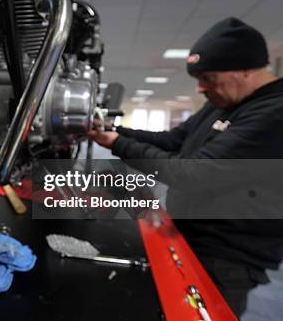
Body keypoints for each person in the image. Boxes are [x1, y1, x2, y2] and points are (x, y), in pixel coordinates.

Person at [87, 17, 283, 317]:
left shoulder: (272, 113)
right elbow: (173, 140)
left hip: (226, 256)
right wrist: (113, 131)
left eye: (209, 78)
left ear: (245, 70)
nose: (202, 89)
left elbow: (193, 174)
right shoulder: (225, 102)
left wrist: (116, 144)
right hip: (190, 235)